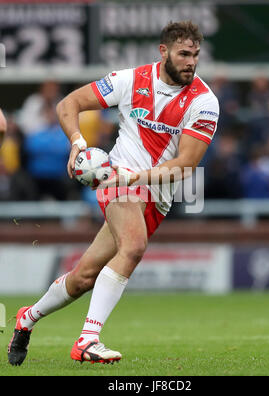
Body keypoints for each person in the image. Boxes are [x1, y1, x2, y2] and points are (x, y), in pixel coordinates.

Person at [8, 20, 220, 366]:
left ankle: (27, 318)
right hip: (116, 180)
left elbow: (185, 164)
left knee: (83, 278)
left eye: (195, 55)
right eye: (184, 54)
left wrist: (136, 177)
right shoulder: (130, 80)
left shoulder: (204, 102)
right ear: (163, 51)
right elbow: (68, 105)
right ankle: (88, 340)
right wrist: (78, 144)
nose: (191, 62)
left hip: (154, 194)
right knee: (134, 246)